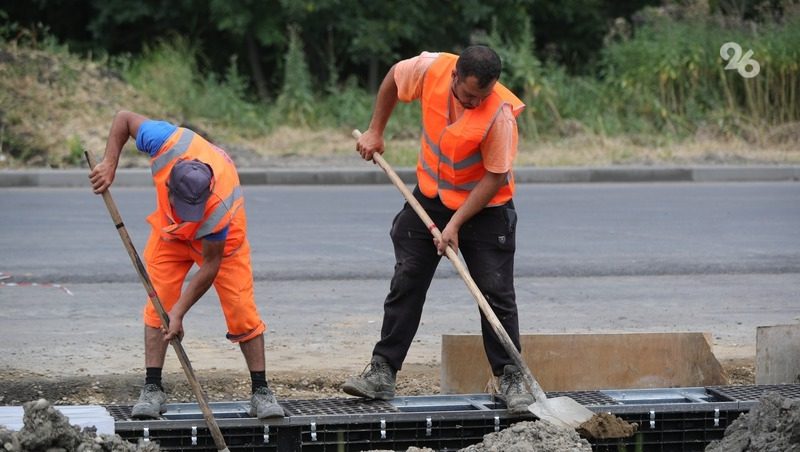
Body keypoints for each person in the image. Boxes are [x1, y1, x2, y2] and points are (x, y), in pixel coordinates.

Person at [343, 45, 534, 413]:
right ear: (454, 78)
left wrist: (456, 224)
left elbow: (494, 178)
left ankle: (511, 376)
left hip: (486, 207)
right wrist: (375, 130)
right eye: (468, 95)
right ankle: (382, 372)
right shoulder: (430, 69)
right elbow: (393, 79)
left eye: (483, 96)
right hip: (430, 196)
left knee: (494, 293)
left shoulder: (500, 116)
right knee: (408, 279)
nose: (475, 102)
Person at [89, 111, 284, 419]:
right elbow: (123, 119)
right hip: (170, 236)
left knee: (241, 310)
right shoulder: (164, 141)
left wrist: (179, 313)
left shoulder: (217, 206)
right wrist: (109, 163)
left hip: (222, 245)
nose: (187, 213)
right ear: (169, 185)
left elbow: (209, 267)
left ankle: (261, 391)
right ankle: (152, 387)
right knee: (158, 304)